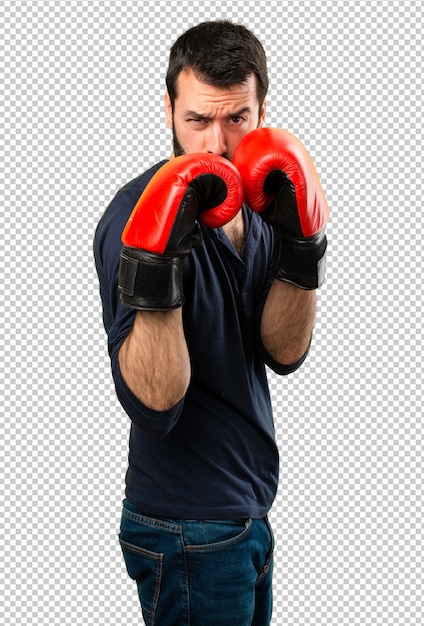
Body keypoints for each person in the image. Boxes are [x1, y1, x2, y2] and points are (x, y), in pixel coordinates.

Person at [93, 19, 329, 626]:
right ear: (168, 109)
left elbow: (284, 351)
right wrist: (156, 266)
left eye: (236, 120)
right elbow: (155, 401)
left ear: (262, 110)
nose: (216, 145)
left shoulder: (266, 201)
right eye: (197, 120)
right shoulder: (132, 216)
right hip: (184, 524)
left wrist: (302, 248)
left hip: (246, 515)